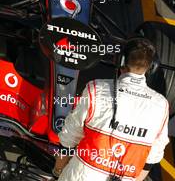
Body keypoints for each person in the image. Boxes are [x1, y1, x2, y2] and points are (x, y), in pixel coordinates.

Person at [52, 38, 169, 181]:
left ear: (120, 61)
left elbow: (69, 137)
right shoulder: (161, 104)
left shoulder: (95, 89)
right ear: (151, 67)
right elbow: (153, 156)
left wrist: (58, 170)